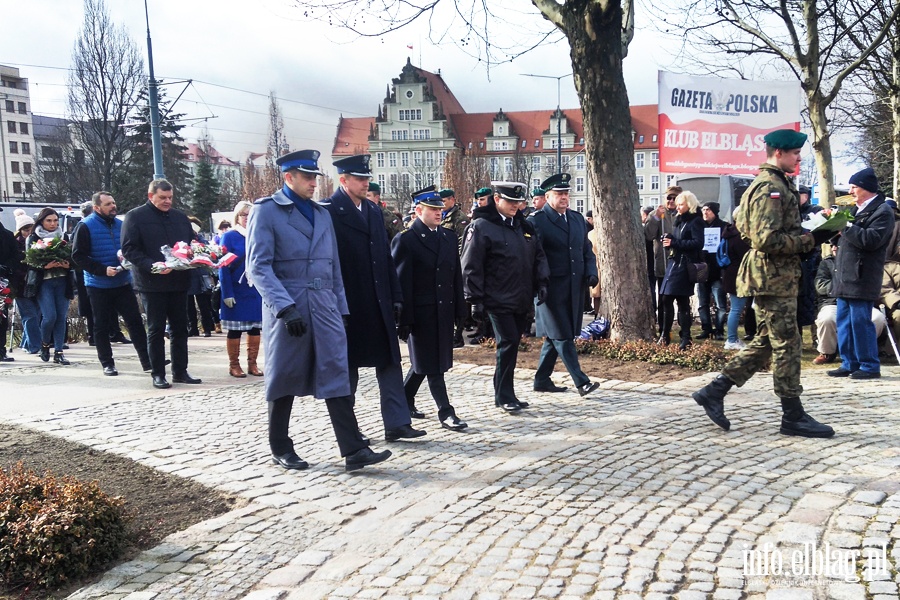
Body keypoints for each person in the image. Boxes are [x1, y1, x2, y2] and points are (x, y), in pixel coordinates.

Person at [246, 149, 391, 472]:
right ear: (288, 177)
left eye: (315, 177)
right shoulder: (266, 212)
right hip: (290, 305)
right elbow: (258, 267)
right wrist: (284, 308)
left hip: (325, 304)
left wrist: (341, 308)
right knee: (284, 376)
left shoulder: (321, 213)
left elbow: (333, 266)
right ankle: (280, 446)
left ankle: (353, 449)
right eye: (307, 177)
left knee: (336, 372)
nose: (314, 183)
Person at [692, 129, 835, 438]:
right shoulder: (769, 187)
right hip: (772, 277)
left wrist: (814, 232)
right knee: (788, 343)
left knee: (768, 341)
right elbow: (764, 238)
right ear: (778, 153)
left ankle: (714, 391)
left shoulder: (777, 183)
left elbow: (750, 225)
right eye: (795, 153)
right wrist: (811, 239)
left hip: (778, 276)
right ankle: (792, 415)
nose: (799, 158)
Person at [323, 154, 425, 443]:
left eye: (367, 178)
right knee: (349, 368)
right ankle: (350, 431)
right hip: (350, 301)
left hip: (378, 300)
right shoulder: (330, 211)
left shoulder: (371, 209)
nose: (366, 183)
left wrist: (396, 295)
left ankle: (397, 423)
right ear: (343, 180)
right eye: (359, 179)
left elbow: (385, 257)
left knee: (390, 363)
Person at [460, 182, 550, 413]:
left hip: (520, 295)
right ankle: (503, 395)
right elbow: (471, 265)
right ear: (497, 199)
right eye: (510, 202)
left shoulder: (523, 226)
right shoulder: (481, 226)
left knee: (512, 343)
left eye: (518, 202)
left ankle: (506, 393)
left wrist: (542, 281)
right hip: (496, 297)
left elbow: (538, 255)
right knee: (508, 342)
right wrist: (474, 300)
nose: (515, 206)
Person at [391, 186, 468, 431]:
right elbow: (401, 283)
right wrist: (403, 318)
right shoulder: (406, 240)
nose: (439, 213)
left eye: (440, 208)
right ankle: (446, 412)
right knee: (433, 365)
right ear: (418, 210)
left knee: (425, 362)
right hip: (420, 314)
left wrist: (460, 310)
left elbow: (455, 276)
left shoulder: (446, 237)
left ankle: (404, 398)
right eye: (433, 209)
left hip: (443, 310)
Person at [121, 179, 202, 389]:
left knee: (180, 328)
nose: (167, 201)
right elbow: (129, 249)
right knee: (156, 329)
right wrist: (152, 265)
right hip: (151, 282)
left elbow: (190, 243)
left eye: (170, 198)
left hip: (178, 280)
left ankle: (180, 371)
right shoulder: (135, 216)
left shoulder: (179, 217)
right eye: (162, 198)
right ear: (151, 196)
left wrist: (197, 254)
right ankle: (158, 373)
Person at [528, 173, 600, 397]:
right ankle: (582, 381)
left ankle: (541, 380)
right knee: (562, 335)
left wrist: (591, 272)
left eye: (566, 194)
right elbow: (532, 256)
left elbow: (586, 251)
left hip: (574, 288)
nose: (564, 198)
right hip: (549, 289)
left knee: (555, 335)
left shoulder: (577, 219)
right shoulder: (537, 221)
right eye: (559, 194)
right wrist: (538, 283)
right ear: (547, 196)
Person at [71, 191, 151, 376]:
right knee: (101, 326)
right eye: (108, 204)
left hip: (122, 282)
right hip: (98, 284)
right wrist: (101, 270)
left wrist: (128, 262)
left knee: (135, 322)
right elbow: (78, 256)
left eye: (114, 202)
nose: (113, 206)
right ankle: (107, 363)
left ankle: (148, 361)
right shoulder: (85, 226)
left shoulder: (121, 224)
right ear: (97, 208)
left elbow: (131, 248)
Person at [826, 167, 895, 379]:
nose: (851, 190)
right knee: (844, 320)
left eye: (855, 186)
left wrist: (844, 226)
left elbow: (871, 240)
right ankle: (849, 362)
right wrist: (833, 231)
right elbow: (847, 237)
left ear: (867, 188)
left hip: (862, 275)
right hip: (846, 274)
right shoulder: (856, 209)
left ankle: (869, 365)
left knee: (860, 321)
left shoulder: (882, 211)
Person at [814, 242, 886, 364]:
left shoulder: (860, 261)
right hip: (832, 302)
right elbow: (820, 285)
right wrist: (841, 287)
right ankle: (827, 352)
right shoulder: (826, 263)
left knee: (878, 318)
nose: (835, 248)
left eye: (837, 245)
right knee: (827, 318)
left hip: (859, 300)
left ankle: (862, 352)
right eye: (832, 245)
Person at [220, 200, 264, 378]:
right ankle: (234, 365)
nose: (247, 218)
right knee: (235, 329)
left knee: (254, 328)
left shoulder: (258, 234)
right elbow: (223, 266)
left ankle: (252, 364)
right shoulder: (229, 236)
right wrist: (227, 293)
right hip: (236, 289)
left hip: (254, 290)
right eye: (243, 214)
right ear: (237, 217)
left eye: (250, 214)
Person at [26, 207, 73, 365]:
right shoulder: (33, 238)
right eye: (49, 221)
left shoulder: (63, 236)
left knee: (61, 317)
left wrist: (68, 265)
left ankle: (59, 352)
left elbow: (73, 256)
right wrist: (43, 266)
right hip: (44, 282)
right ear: (41, 221)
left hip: (62, 281)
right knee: (50, 316)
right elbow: (29, 262)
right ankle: (45, 345)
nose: (53, 224)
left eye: (55, 221)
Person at [658, 191, 704, 350]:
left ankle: (685, 337)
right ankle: (666, 334)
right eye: (677, 204)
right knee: (666, 298)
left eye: (681, 204)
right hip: (674, 263)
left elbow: (698, 243)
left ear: (689, 205)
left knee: (681, 300)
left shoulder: (696, 221)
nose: (677, 207)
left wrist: (675, 242)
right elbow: (678, 240)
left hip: (685, 265)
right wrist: (668, 239)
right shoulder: (679, 220)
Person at [644, 186, 680, 329]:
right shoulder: (657, 213)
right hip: (662, 264)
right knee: (663, 298)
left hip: (680, 263)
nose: (671, 201)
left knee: (682, 299)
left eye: (674, 198)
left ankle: (683, 329)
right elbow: (648, 235)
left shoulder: (683, 213)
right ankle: (663, 329)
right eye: (669, 198)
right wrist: (656, 218)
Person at [720, 208, 752, 351]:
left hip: (730, 274)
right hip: (739, 276)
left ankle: (732, 338)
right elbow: (747, 256)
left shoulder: (729, 232)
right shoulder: (740, 236)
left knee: (735, 308)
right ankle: (731, 339)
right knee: (736, 309)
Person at [696, 201, 728, 340]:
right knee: (703, 303)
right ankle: (706, 328)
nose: (705, 212)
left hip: (717, 270)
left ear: (714, 212)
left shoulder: (724, 227)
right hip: (702, 270)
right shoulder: (699, 226)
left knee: (720, 304)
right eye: (703, 209)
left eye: (708, 210)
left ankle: (719, 329)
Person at [797, 184, 824, 348]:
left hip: (813, 260)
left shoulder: (815, 210)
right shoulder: (790, 212)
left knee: (815, 301)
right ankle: (797, 339)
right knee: (797, 302)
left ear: (805, 196)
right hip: (798, 261)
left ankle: (817, 339)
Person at [10, 211, 40, 354]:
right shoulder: (16, 245)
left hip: (35, 285)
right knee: (30, 315)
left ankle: (26, 344)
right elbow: (15, 266)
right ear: (20, 231)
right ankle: (35, 346)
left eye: (31, 229)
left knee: (36, 314)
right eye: (26, 230)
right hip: (21, 286)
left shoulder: (37, 242)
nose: (29, 232)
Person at [186, 217, 216, 338]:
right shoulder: (183, 239)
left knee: (204, 303)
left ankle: (207, 327)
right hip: (188, 273)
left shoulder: (201, 239)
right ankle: (192, 327)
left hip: (200, 274)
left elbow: (209, 252)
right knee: (188, 304)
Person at [0, 217, 17, 362]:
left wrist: (6, 267)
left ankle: (1, 350)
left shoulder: (7, 235)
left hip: (2, 281)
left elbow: (15, 256)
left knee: (2, 316)